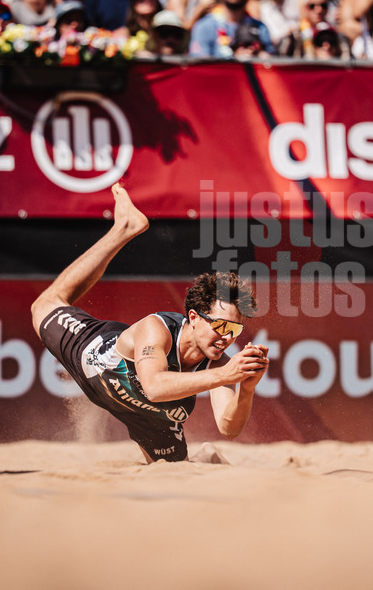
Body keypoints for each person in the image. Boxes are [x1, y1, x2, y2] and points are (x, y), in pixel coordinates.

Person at [31, 184, 269, 464]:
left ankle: (208, 458)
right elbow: (154, 386)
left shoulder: (218, 365)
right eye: (220, 326)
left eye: (234, 329)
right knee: (45, 305)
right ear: (193, 317)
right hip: (92, 358)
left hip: (150, 421)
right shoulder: (157, 328)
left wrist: (247, 388)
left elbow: (229, 427)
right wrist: (227, 374)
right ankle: (124, 228)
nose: (227, 337)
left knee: (178, 472)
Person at [189, 0, 273, 58]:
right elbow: (199, 65)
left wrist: (260, 56)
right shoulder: (203, 27)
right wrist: (235, 60)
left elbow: (272, 60)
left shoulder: (260, 27)